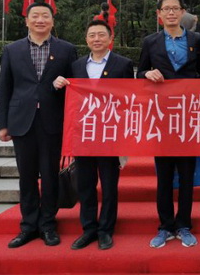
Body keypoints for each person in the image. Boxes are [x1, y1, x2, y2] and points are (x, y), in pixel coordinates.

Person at [0, 2, 78, 248]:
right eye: (35, 16)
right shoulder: (12, 50)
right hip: (22, 121)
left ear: (52, 21)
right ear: (27, 21)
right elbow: (5, 88)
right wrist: (2, 124)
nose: (40, 20)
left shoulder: (66, 49)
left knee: (50, 175)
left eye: (45, 16)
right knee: (27, 176)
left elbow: (75, 88)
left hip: (53, 122)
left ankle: (48, 224)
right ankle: (28, 226)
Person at [137, 0, 200, 249]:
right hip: (162, 118)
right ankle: (165, 226)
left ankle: (184, 225)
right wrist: (147, 73)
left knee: (187, 174)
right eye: (166, 9)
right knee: (164, 175)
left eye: (175, 8)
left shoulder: (199, 41)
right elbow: (139, 72)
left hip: (189, 117)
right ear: (159, 14)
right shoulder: (150, 42)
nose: (170, 13)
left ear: (182, 12)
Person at [55, 20, 134, 251]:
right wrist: (58, 84)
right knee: (86, 184)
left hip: (110, 135)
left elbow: (130, 98)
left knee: (109, 185)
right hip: (84, 135)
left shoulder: (123, 64)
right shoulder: (76, 65)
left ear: (110, 39)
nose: (96, 39)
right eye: (92, 35)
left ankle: (106, 230)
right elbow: (69, 98)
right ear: (86, 39)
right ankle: (88, 228)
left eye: (101, 35)